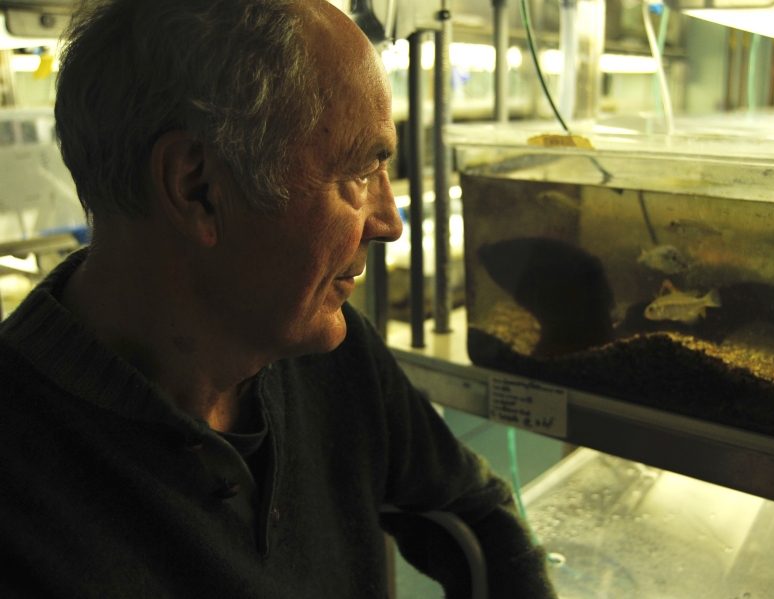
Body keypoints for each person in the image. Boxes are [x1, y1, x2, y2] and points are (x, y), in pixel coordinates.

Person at [0, 0, 558, 597]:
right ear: (198, 187)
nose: (390, 221)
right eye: (358, 171)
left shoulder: (323, 349)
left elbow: (474, 518)